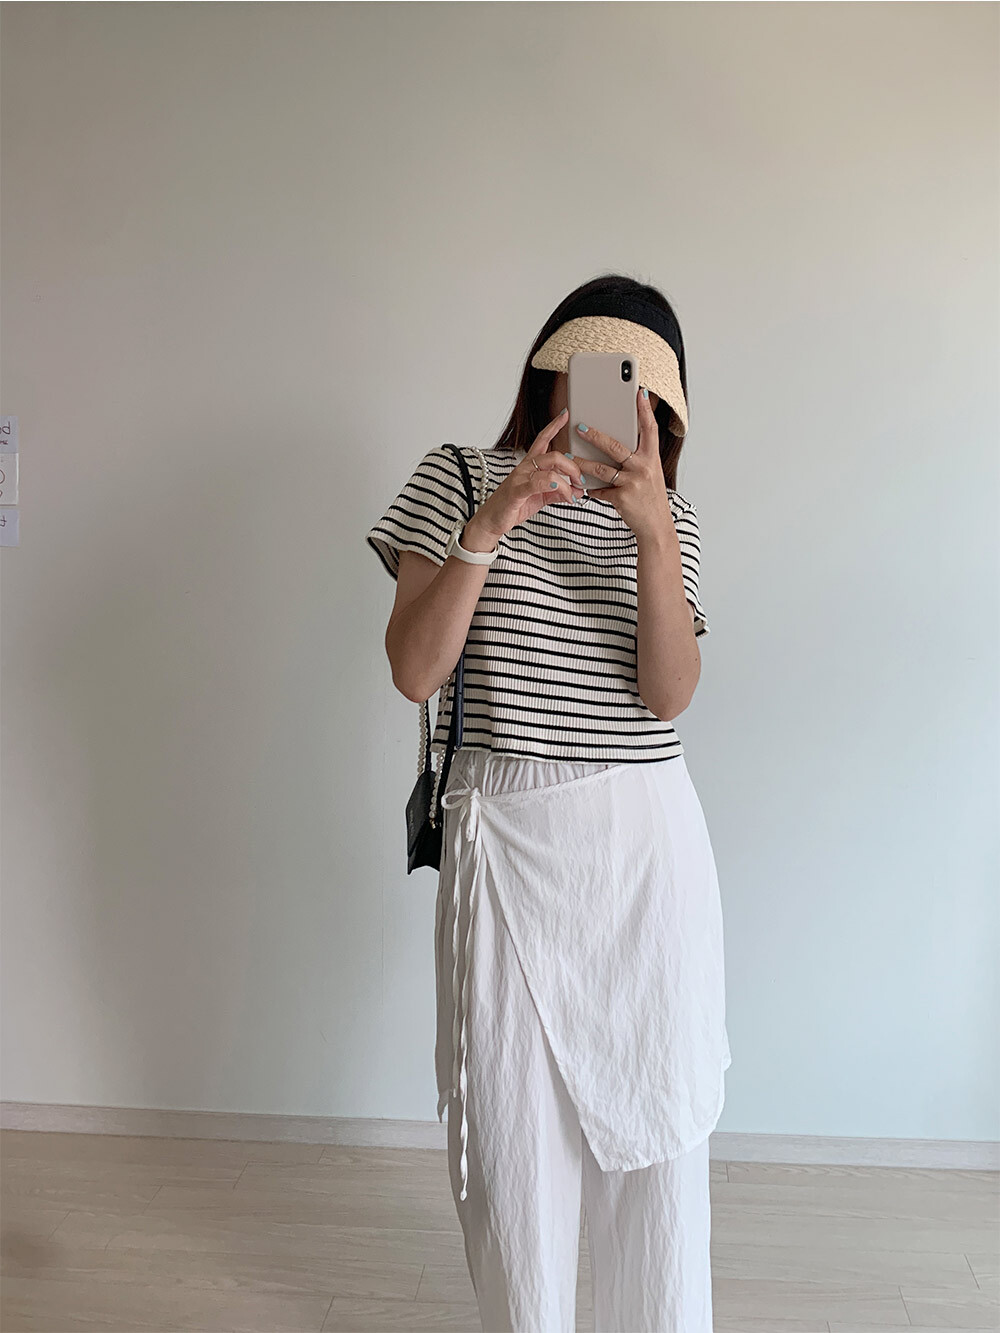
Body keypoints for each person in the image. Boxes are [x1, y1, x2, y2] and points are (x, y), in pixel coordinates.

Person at [365, 273, 732, 1333]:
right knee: (515, 1149)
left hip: (646, 854)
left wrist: (652, 534)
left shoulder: (670, 518)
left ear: (664, 412)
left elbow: (668, 696)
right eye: (599, 373)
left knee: (658, 1151)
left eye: (644, 391)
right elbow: (414, 670)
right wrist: (493, 522)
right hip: (509, 842)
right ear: (549, 375)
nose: (620, 405)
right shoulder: (456, 475)